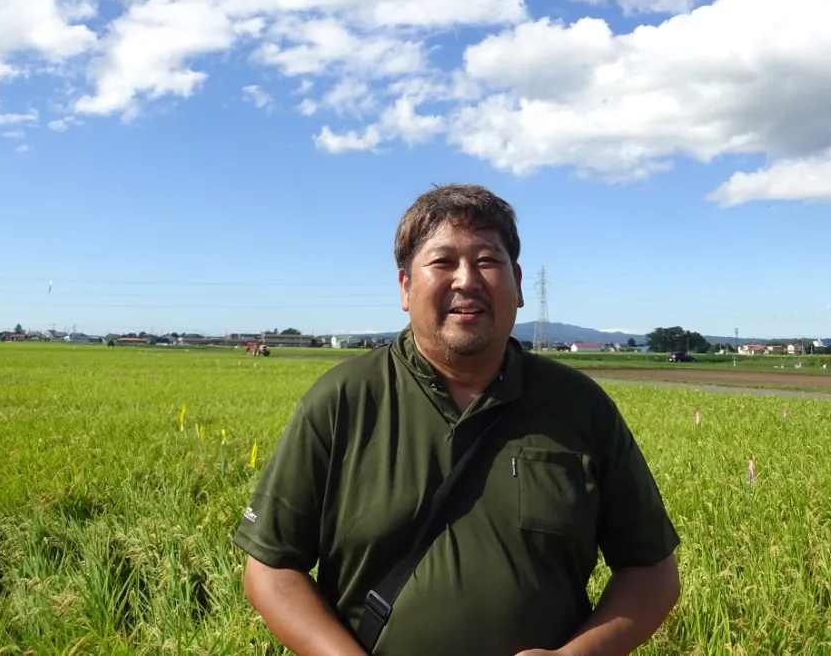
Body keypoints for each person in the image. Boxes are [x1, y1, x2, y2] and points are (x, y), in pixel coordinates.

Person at [233, 184, 681, 656]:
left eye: (488, 260)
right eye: (443, 262)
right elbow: (271, 569)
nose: (467, 280)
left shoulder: (579, 405)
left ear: (519, 283)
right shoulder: (343, 399)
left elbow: (651, 570)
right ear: (405, 287)